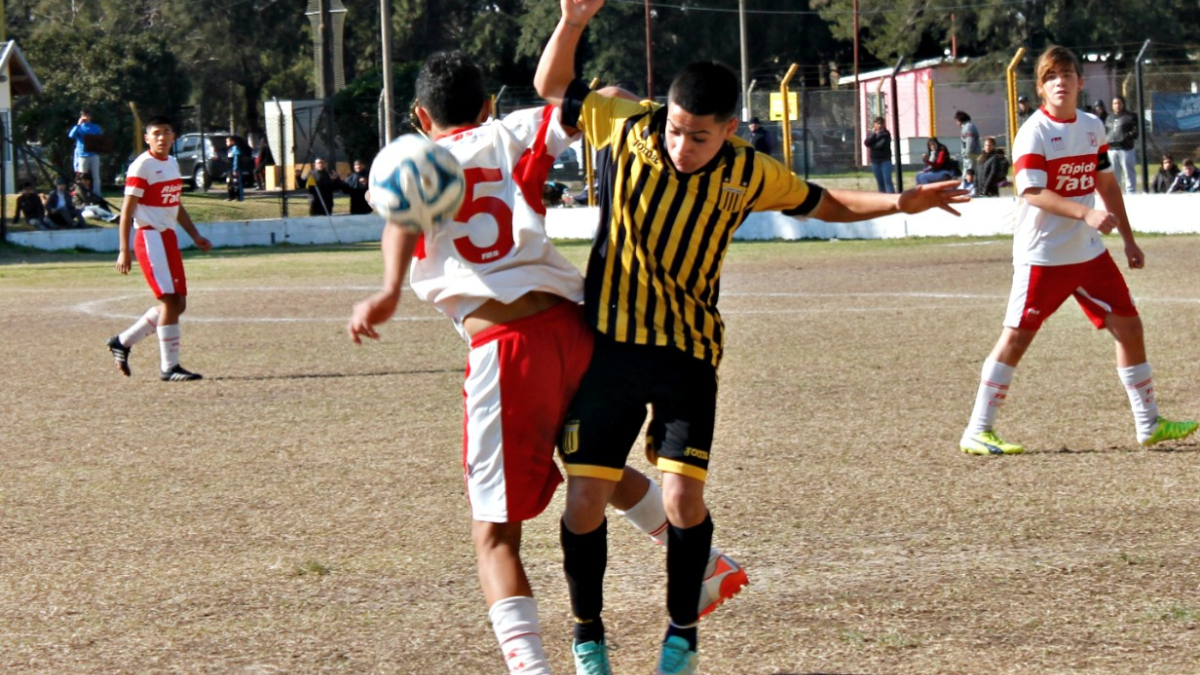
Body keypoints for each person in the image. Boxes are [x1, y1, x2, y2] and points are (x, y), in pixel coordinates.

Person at [535, 2, 967, 673]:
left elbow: (827, 202)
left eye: (700, 137)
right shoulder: (627, 127)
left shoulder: (746, 171)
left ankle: (682, 632)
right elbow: (551, 88)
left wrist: (901, 202)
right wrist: (570, 23)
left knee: (682, 498)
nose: (683, 146)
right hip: (611, 349)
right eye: (677, 130)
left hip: (688, 355)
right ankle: (587, 631)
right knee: (584, 499)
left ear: (730, 130)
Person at [346, 50, 746, 675]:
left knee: (495, 536)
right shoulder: (513, 129)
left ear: (422, 116)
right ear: (486, 106)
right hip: (578, 328)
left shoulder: (411, 154)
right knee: (590, 463)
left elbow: (404, 209)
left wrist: (390, 288)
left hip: (507, 346)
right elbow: (598, 98)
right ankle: (707, 564)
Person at [959, 45, 1196, 457]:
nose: (1060, 82)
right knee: (1017, 338)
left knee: (1130, 326)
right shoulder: (1033, 131)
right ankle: (978, 430)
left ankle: (1149, 423)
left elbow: (1105, 184)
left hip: (1088, 254)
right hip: (1044, 254)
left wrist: (1128, 238)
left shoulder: (1091, 126)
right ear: (1041, 87)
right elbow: (1031, 191)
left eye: (1067, 74)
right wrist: (1084, 216)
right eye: (1052, 76)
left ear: (1080, 83)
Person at [106, 115, 213, 382]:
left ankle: (122, 341)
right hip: (149, 237)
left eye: (167, 132)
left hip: (168, 238)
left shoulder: (173, 164)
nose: (162, 137)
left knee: (179, 304)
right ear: (147, 138)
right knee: (169, 301)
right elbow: (127, 210)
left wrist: (195, 235)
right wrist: (124, 249)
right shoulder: (141, 166)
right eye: (156, 133)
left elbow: (175, 204)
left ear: (174, 136)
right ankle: (169, 367)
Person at [1106, 95, 1139, 194]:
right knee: (1115, 174)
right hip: (1112, 149)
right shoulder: (1109, 118)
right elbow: (1106, 131)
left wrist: (1127, 137)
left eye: (1119, 103)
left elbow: (1135, 131)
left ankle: (1131, 192)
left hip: (1125, 149)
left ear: (1123, 104)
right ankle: (1116, 193)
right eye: (1115, 103)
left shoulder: (1130, 116)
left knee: (1129, 172)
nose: (1117, 105)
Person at [68, 109, 103, 193]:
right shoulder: (79, 128)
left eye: (87, 115)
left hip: (93, 155)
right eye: (84, 115)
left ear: (90, 117)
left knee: (96, 177)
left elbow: (101, 139)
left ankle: (97, 195)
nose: (85, 117)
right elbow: (71, 136)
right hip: (82, 155)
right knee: (82, 177)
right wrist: (78, 125)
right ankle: (83, 193)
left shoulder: (95, 127)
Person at [863, 116, 895, 193]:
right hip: (875, 161)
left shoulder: (886, 134)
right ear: (874, 124)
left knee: (887, 180)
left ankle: (892, 197)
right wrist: (873, 134)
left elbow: (880, 145)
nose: (879, 125)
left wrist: (872, 145)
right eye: (877, 124)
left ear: (884, 124)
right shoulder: (871, 134)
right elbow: (866, 143)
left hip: (885, 161)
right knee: (880, 182)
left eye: (881, 124)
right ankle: (882, 199)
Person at [225, 136, 244, 202]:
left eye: (228, 141)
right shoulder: (229, 149)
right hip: (229, 170)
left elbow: (236, 159)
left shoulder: (235, 148)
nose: (226, 143)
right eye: (226, 141)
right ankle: (231, 197)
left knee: (236, 183)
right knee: (229, 182)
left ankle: (239, 198)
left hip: (235, 169)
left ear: (232, 141)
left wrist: (235, 169)